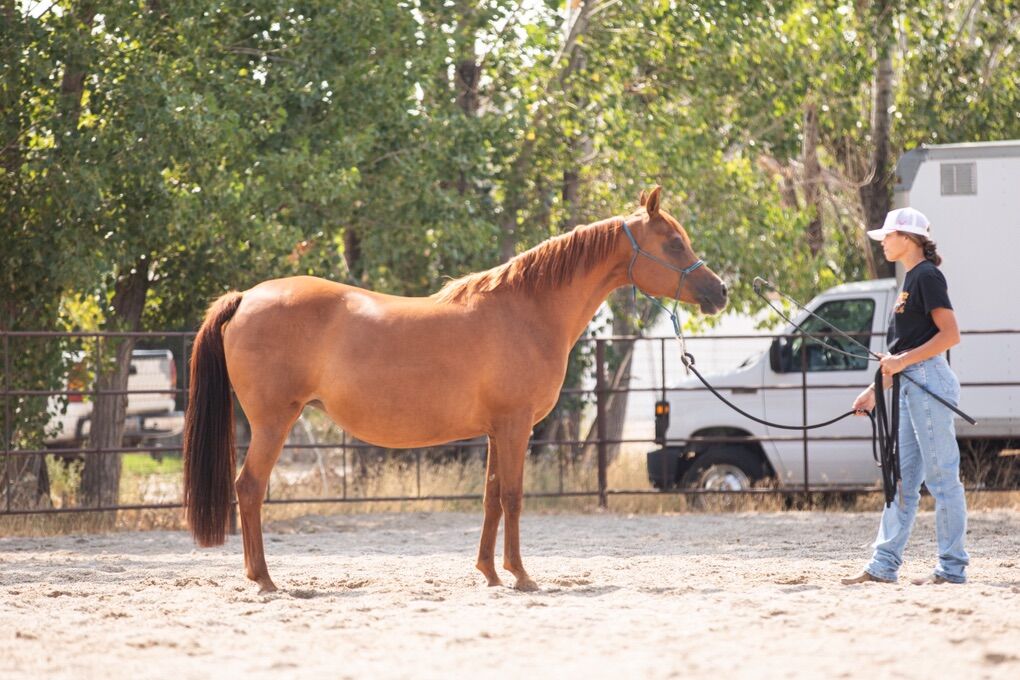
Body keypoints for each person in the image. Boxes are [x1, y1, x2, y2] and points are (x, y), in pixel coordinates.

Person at [841, 207, 968, 586]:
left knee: (942, 478)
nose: (883, 243)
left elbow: (949, 336)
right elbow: (904, 349)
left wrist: (901, 363)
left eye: (888, 236)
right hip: (912, 382)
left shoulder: (927, 276)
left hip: (927, 380)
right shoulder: (912, 279)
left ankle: (951, 567)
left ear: (908, 238)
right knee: (901, 480)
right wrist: (872, 392)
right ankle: (883, 566)